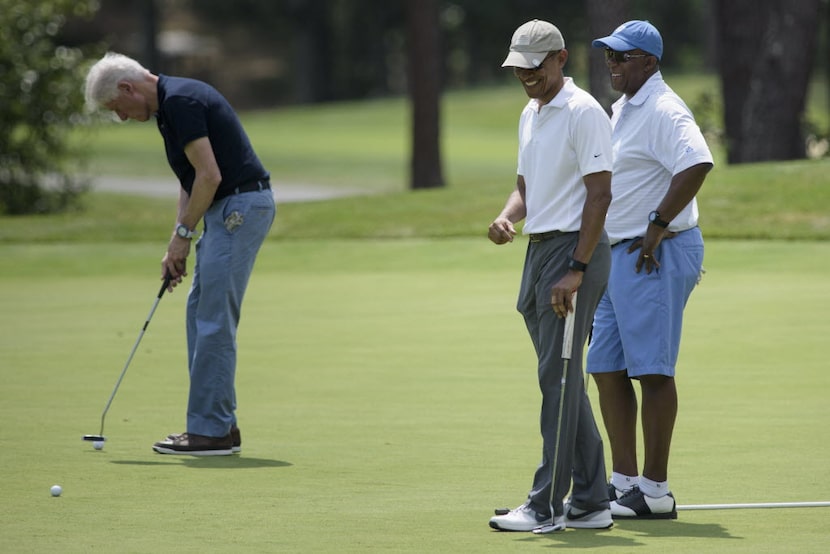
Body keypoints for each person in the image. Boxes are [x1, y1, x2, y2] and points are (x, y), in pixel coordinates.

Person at [85, 53, 276, 456]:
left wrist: (185, 235)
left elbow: (211, 176)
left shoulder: (182, 101)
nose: (120, 118)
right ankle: (219, 424)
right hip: (228, 210)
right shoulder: (168, 109)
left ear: (127, 88)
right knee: (200, 314)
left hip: (239, 208)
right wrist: (177, 239)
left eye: (117, 109)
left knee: (213, 320)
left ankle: (211, 432)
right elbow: (191, 180)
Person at [487, 19, 614, 532]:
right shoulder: (531, 111)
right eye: (519, 67)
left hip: (573, 252)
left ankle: (546, 503)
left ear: (561, 58)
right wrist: (507, 216)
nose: (526, 76)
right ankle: (590, 499)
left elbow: (600, 194)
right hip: (539, 251)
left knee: (559, 380)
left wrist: (578, 268)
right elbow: (526, 184)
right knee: (559, 379)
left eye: (535, 67)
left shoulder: (583, 112)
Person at [587, 20, 714, 518]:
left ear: (650, 62)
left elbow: (697, 162)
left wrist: (658, 225)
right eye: (609, 57)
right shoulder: (623, 109)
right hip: (618, 255)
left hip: (654, 252)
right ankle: (623, 483)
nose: (612, 64)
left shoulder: (663, 107)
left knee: (652, 370)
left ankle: (655, 492)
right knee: (605, 366)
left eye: (622, 57)